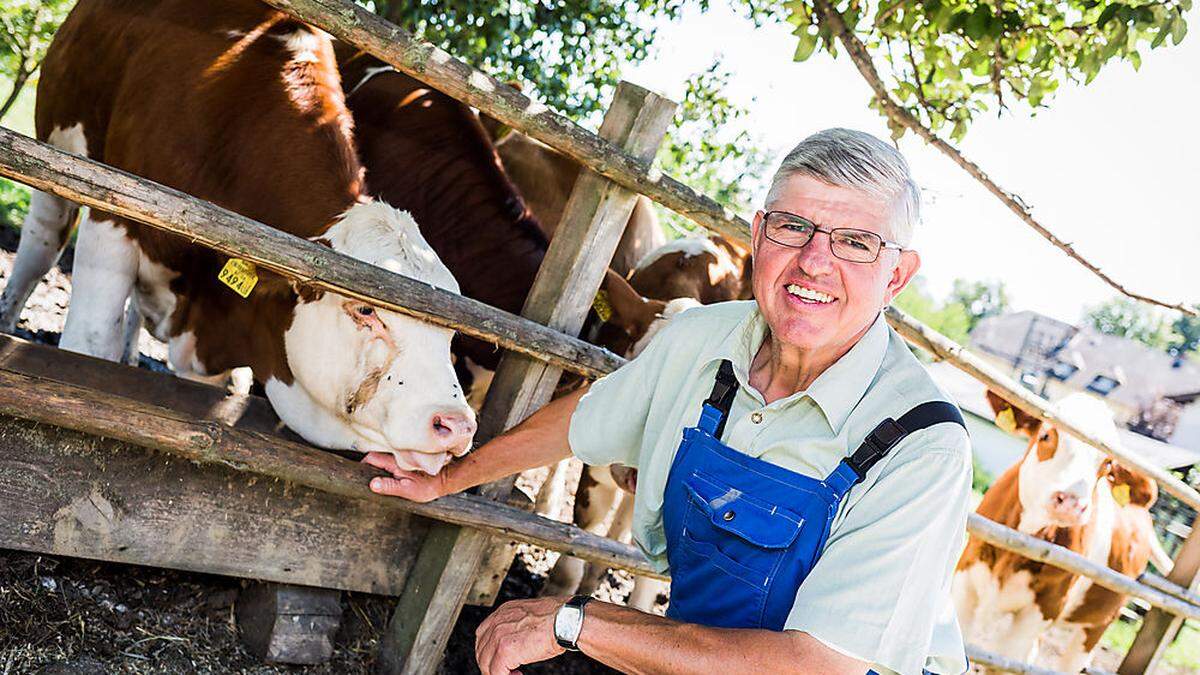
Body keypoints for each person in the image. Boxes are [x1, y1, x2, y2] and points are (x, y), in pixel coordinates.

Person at [364, 128, 973, 675]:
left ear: (897, 275)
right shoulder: (699, 340)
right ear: (759, 237)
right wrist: (450, 478)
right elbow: (586, 418)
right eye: (794, 227)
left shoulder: (922, 445)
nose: (814, 262)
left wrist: (575, 624)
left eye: (857, 243)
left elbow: (815, 665)